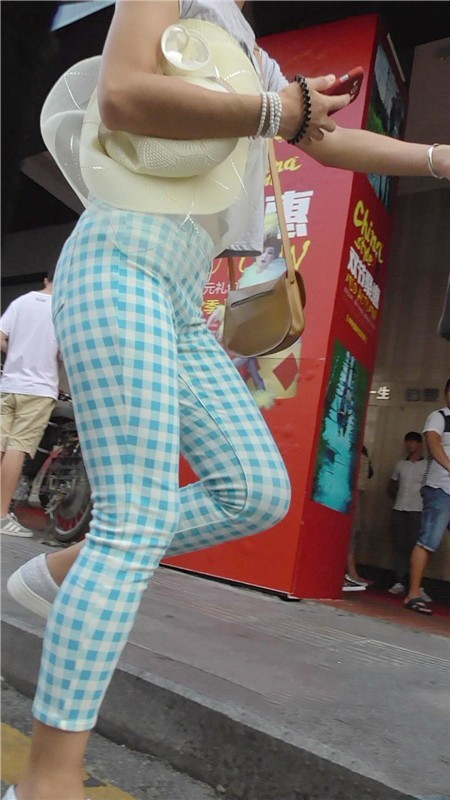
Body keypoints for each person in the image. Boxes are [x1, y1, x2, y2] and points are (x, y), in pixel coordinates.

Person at [4, 2, 450, 798]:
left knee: (255, 490)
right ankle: (47, 783)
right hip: (118, 259)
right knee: (135, 523)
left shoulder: (248, 47)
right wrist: (279, 109)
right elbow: (123, 94)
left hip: (181, 297)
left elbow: (329, 139)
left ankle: (67, 567)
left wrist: (439, 157)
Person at [0, 269, 59, 537]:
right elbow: (64, 353)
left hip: (9, 384)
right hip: (39, 389)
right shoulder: (63, 311)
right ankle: (1, 515)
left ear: (46, 279)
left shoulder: (21, 301)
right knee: (18, 448)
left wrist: (14, 352)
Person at [404, 380, 450, 615]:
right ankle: (413, 594)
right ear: (446, 394)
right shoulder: (439, 416)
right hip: (440, 489)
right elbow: (433, 443)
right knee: (429, 541)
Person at [387, 431, 428, 597]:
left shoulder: (426, 466)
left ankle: (417, 585)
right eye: (408, 442)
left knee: (416, 546)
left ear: (420, 444)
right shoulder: (400, 465)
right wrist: (397, 496)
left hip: (418, 509)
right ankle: (399, 580)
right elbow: (392, 484)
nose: (410, 445)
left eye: (413, 442)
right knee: (399, 545)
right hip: (400, 508)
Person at [343, 445, 373, 590]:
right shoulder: (363, 459)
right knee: (351, 537)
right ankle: (351, 573)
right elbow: (360, 487)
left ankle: (349, 573)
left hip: (341, 499)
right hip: (352, 501)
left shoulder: (348, 455)